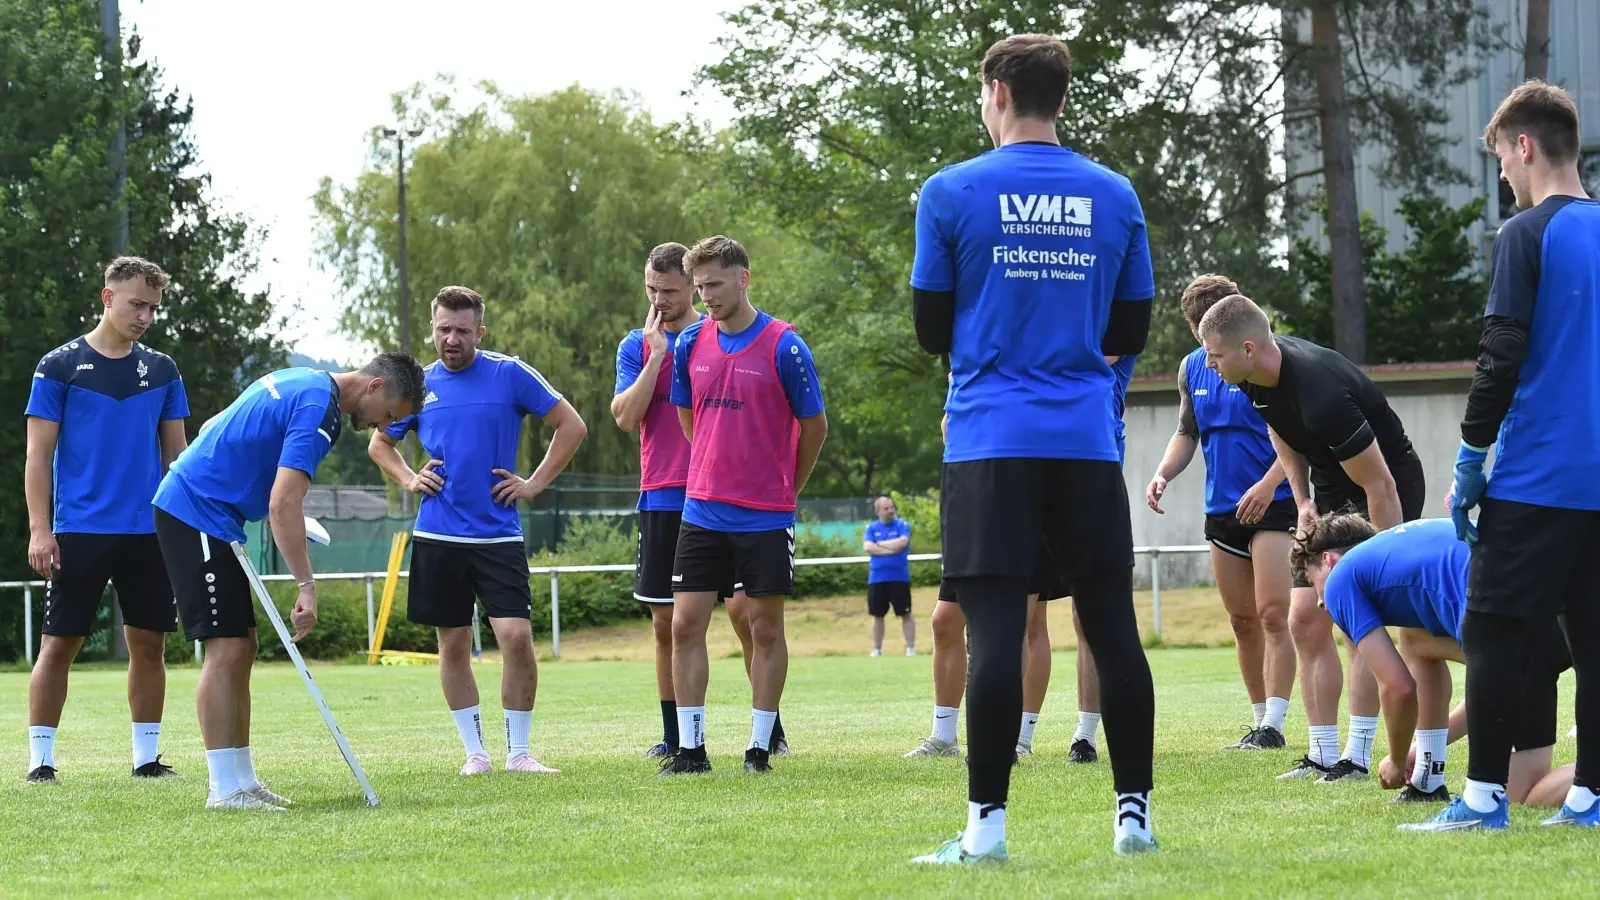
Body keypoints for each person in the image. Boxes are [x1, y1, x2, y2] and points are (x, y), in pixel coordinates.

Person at [910, 34, 1158, 861]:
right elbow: (1130, 329)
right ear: (1059, 96)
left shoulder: (949, 192)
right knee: (1111, 625)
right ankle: (1134, 818)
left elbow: (929, 328)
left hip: (989, 438)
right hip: (1086, 439)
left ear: (997, 93)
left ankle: (986, 831)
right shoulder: (1116, 194)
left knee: (991, 632)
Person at [1413, 81, 1600, 832]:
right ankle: (1588, 799)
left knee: (1489, 628)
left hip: (1539, 475)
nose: (1501, 176)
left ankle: (1484, 798)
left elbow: (1501, 355)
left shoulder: (1525, 235)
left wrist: (1468, 458)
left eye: (1499, 158)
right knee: (1591, 640)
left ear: (1523, 146)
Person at [154, 352, 424, 809]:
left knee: (244, 646)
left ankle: (243, 780)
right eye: (390, 416)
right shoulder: (322, 411)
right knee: (227, 648)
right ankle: (223, 790)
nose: (382, 427)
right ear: (376, 387)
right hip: (194, 512)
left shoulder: (302, 380)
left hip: (213, 516)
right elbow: (282, 504)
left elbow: (215, 426)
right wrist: (306, 587)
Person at [1198, 294, 1426, 784]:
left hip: (1381, 491)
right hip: (1329, 494)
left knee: (1357, 618)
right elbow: (1280, 431)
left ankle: (1357, 757)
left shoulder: (1320, 396)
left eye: (1215, 356)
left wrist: (1389, 563)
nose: (1209, 366)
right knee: (1303, 618)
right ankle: (1323, 754)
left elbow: (1381, 484)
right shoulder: (1255, 380)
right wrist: (1302, 499)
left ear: (1250, 348)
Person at [370, 286, 586, 777]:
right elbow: (380, 444)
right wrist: (408, 477)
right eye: (443, 329)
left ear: (479, 332)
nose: (451, 339)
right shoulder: (418, 386)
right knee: (453, 644)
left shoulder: (509, 374)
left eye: (462, 331)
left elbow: (571, 425)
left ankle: (520, 753)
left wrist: (532, 484)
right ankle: (475, 754)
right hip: (439, 537)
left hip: (497, 536)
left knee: (515, 639)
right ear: (433, 328)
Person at [660, 235, 828, 776]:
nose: (706, 295)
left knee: (765, 629)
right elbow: (690, 420)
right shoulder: (689, 345)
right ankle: (691, 749)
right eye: (700, 285)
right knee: (685, 624)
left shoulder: (785, 346)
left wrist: (786, 488)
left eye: (714, 283)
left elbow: (815, 427)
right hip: (701, 510)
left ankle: (759, 747)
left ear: (744, 278)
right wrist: (713, 466)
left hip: (765, 515)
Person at [23, 257, 190, 784]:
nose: (144, 315)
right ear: (107, 297)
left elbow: (178, 458)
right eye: (136, 303)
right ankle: (41, 762)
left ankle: (146, 759)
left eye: (153, 308)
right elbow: (36, 456)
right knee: (60, 644)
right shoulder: (59, 365)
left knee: (150, 645)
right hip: (79, 531)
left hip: (149, 533)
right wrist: (39, 529)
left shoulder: (163, 370)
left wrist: (188, 524)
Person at [1295, 513, 1577, 812]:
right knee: (1416, 643)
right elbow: (1493, 686)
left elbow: (1398, 688)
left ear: (1328, 560)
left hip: (1521, 629)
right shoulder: (1405, 550)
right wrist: (1421, 752)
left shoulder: (1342, 577)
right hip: (1562, 613)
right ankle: (1428, 779)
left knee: (1525, 798)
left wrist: (1397, 759)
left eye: (1313, 584)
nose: (1320, 603)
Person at [611, 243, 769, 759]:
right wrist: (657, 354)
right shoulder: (636, 345)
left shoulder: (714, 335)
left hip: (725, 494)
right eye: (652, 291)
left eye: (672, 292)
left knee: (745, 613)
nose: (661, 301)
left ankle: (768, 728)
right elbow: (625, 417)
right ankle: (677, 734)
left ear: (693, 289)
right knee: (667, 623)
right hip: (662, 496)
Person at [1144, 274, 1295, 751]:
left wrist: (1270, 485)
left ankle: (1275, 722)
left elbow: (1296, 435)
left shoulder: (1264, 358)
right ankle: (1258, 723)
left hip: (1276, 505)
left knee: (1273, 615)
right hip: (1222, 511)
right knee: (1241, 620)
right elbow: (1187, 432)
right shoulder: (1192, 368)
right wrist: (1163, 474)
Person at [863, 496, 915, 657]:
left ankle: (910, 649)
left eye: (892, 507)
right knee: (877, 615)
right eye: (886, 508)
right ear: (878, 511)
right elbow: (867, 547)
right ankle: (877, 649)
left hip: (899, 578)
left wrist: (879, 544)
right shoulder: (871, 527)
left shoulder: (902, 525)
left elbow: (902, 543)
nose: (891, 511)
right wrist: (890, 547)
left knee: (905, 613)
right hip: (877, 579)